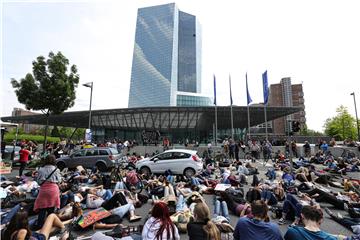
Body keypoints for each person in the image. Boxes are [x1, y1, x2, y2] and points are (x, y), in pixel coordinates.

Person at [3, 208, 69, 240]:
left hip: (33, 235)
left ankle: (63, 226)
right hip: (39, 238)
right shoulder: (22, 232)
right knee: (52, 216)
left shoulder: (9, 228)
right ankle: (64, 228)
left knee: (54, 225)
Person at [33, 155, 62, 229]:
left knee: (42, 208)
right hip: (53, 189)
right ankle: (49, 224)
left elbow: (38, 181)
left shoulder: (41, 169)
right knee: (51, 208)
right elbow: (59, 180)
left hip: (44, 190)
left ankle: (40, 225)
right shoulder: (56, 169)